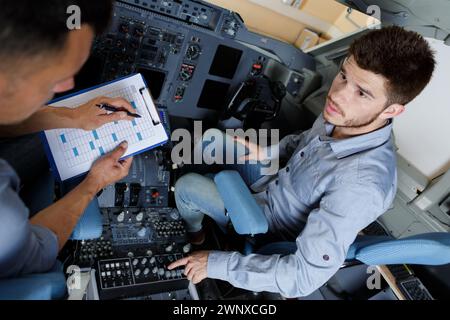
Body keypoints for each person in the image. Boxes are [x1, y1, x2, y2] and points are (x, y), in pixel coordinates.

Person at [168, 26, 436, 298]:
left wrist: (214, 264)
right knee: (212, 140)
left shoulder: (361, 185)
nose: (338, 94)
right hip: (272, 182)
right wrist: (269, 153)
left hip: (267, 223)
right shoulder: (341, 116)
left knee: (188, 186)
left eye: (362, 93)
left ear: (392, 110)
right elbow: (302, 141)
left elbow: (303, 278)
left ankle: (195, 234)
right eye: (343, 75)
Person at [0, 0, 135, 278]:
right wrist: (94, 183)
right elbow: (37, 253)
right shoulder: (4, 220)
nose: (68, 86)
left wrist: (73, 118)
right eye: (55, 79)